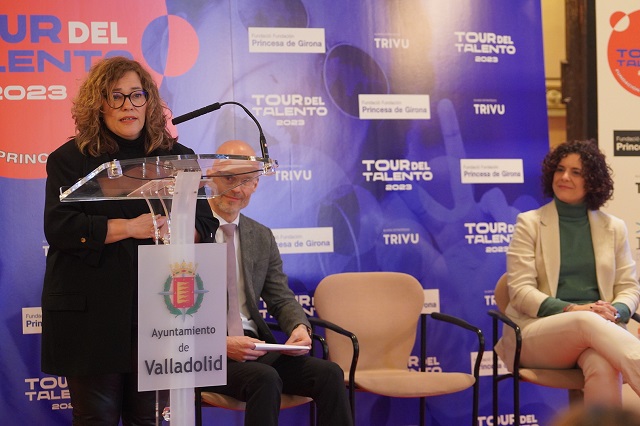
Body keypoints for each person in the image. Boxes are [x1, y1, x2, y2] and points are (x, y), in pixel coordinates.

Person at [42, 56, 217, 425]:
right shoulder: (70, 159)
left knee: (150, 419)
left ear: (149, 101)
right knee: (97, 419)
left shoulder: (177, 158)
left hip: (160, 313)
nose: (128, 106)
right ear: (99, 103)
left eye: (137, 95)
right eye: (116, 96)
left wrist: (177, 231)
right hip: (93, 317)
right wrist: (131, 227)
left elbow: (205, 223)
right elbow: (60, 227)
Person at [200, 140, 353, 426]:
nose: (237, 189)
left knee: (330, 373)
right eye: (229, 178)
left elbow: (281, 297)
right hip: (203, 354)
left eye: (246, 180)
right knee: (266, 378)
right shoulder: (186, 229)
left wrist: (299, 327)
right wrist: (220, 344)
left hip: (254, 349)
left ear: (256, 185)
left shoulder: (261, 236)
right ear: (210, 176)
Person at [495, 139, 640, 406]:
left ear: (593, 181)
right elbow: (521, 292)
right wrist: (575, 310)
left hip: (599, 332)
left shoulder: (614, 227)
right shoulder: (529, 223)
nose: (564, 177)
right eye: (560, 169)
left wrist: (615, 312)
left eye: (576, 172)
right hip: (537, 335)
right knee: (585, 320)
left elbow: (628, 288)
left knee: (604, 366)